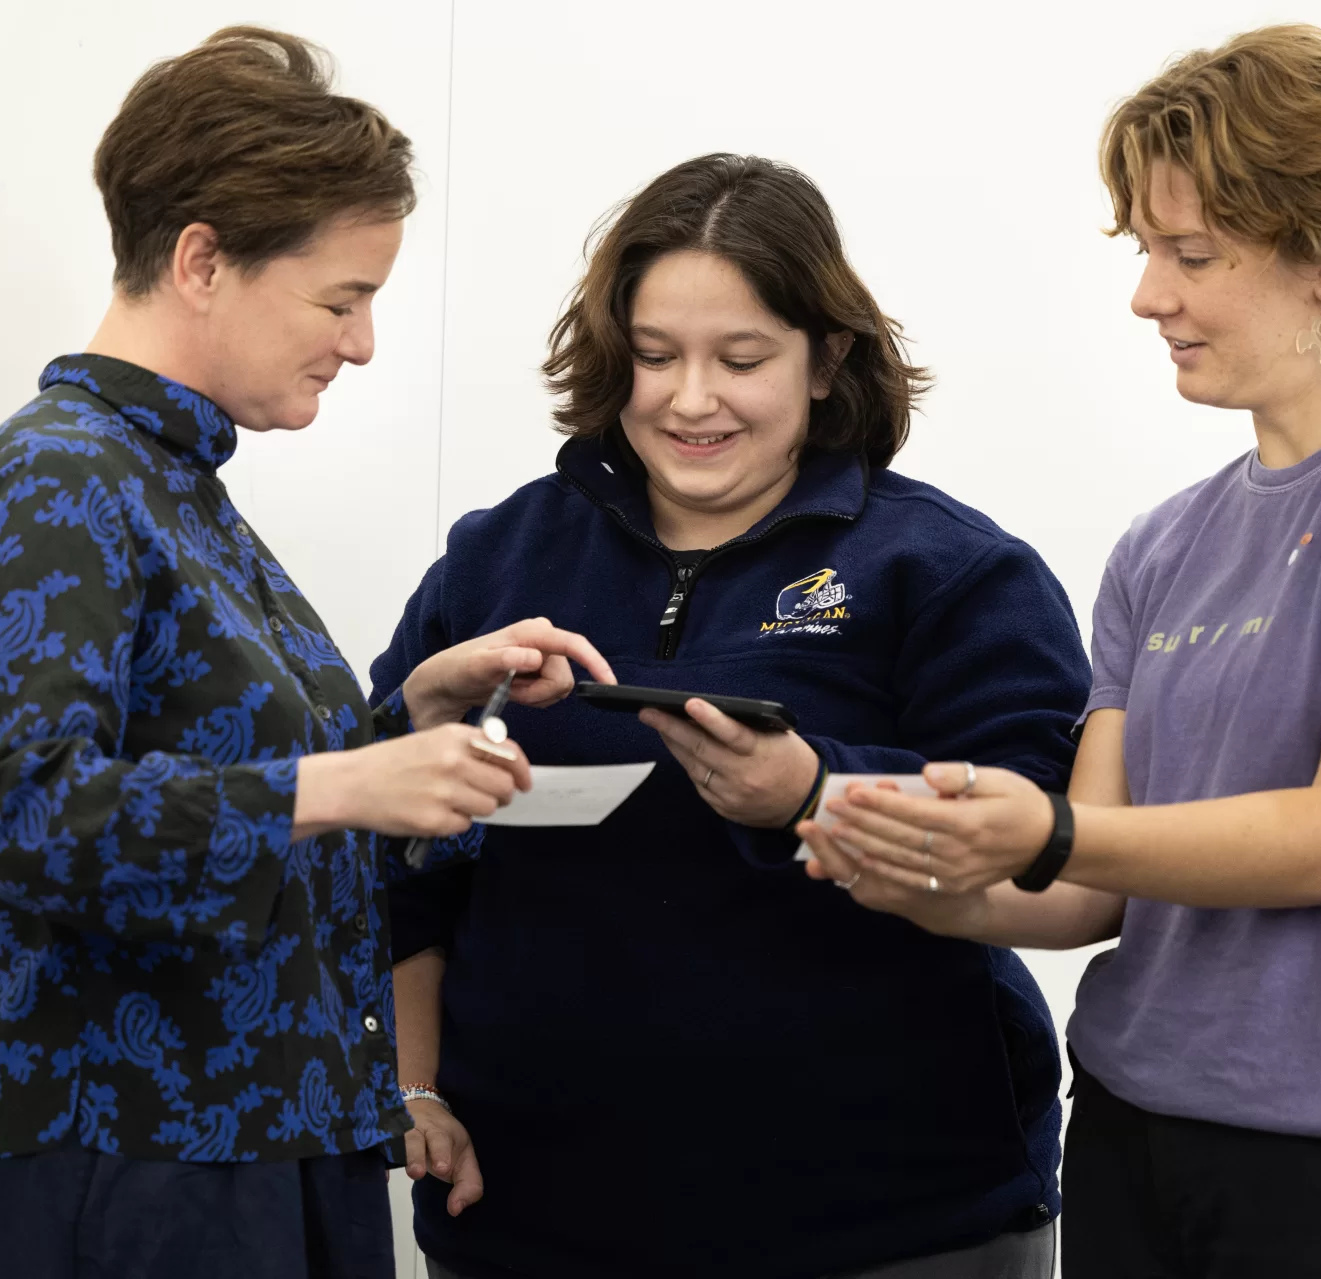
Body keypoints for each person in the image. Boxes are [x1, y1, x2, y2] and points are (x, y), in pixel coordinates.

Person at [800, 24, 1321, 1279]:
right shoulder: (1163, 544)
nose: (1146, 294)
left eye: (1191, 254)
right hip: (1130, 1139)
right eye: (1149, 250)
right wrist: (908, 870)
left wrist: (1043, 828)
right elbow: (1088, 891)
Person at [0, 28, 610, 1279]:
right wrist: (340, 784)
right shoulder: (54, 481)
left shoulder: (174, 493)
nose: (364, 342)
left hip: (246, 1144)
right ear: (202, 260)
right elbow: (21, 812)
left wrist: (414, 721)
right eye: (341, 298)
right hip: (110, 1158)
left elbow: (243, 811)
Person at [369, 153, 1092, 1278]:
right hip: (530, 1214)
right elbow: (394, 868)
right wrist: (413, 1086)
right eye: (654, 357)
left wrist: (815, 792)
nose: (688, 399)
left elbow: (1054, 851)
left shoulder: (948, 572)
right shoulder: (498, 558)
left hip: (891, 1225)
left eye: (739, 358)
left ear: (826, 358)